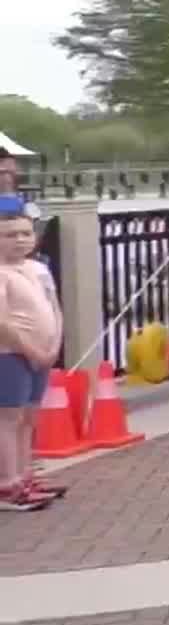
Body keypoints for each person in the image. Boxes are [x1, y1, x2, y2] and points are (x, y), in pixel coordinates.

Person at [0, 212, 59, 510]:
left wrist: (53, 345)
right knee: (8, 419)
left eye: (25, 233)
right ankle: (7, 483)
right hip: (10, 356)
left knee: (29, 418)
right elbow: (3, 321)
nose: (20, 240)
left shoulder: (38, 269)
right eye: (10, 235)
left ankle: (24, 474)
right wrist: (31, 350)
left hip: (42, 354)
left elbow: (54, 307)